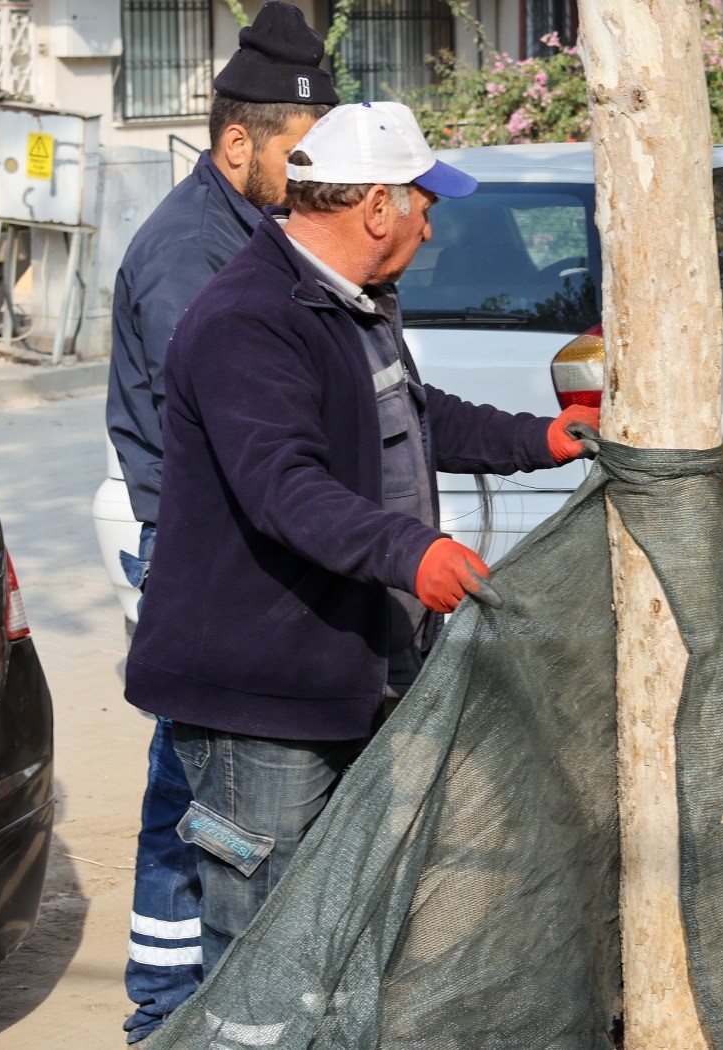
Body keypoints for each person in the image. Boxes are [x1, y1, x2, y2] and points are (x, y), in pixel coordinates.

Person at [123, 100, 599, 976]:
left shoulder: (357, 300)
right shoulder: (248, 317)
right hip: (258, 699)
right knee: (266, 953)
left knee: (350, 935)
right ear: (377, 207)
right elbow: (282, 486)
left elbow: (410, 416)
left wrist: (540, 440)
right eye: (425, 201)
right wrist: (410, 554)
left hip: (350, 673)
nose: (432, 222)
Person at [105, 3, 334, 1040]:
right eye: (303, 151)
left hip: (246, 548)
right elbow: (248, 443)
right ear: (237, 143)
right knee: (193, 796)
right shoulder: (192, 259)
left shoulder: (262, 232)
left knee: (211, 793)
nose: (318, 172)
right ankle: (165, 1010)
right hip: (204, 555)